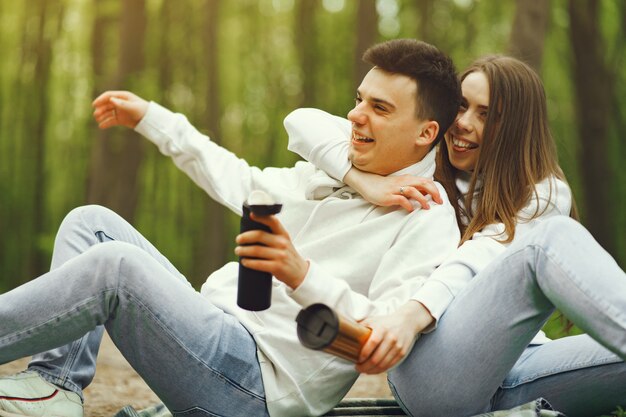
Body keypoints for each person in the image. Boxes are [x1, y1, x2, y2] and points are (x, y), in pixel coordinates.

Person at [0, 39, 463, 417]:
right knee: (91, 225)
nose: (356, 116)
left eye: (380, 108)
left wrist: (302, 274)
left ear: (426, 133)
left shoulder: (426, 217)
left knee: (115, 266)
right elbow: (239, 175)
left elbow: (382, 332)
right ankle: (54, 385)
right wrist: (153, 119)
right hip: (217, 331)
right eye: (359, 99)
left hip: (253, 384)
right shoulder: (328, 176)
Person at [287, 55, 626, 416]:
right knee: (552, 238)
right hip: (433, 370)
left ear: (516, 127)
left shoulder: (541, 193)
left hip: (523, 366)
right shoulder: (420, 163)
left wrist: (411, 314)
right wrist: (364, 181)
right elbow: (302, 122)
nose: (462, 123)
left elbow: (483, 257)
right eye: (461, 107)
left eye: (486, 115)